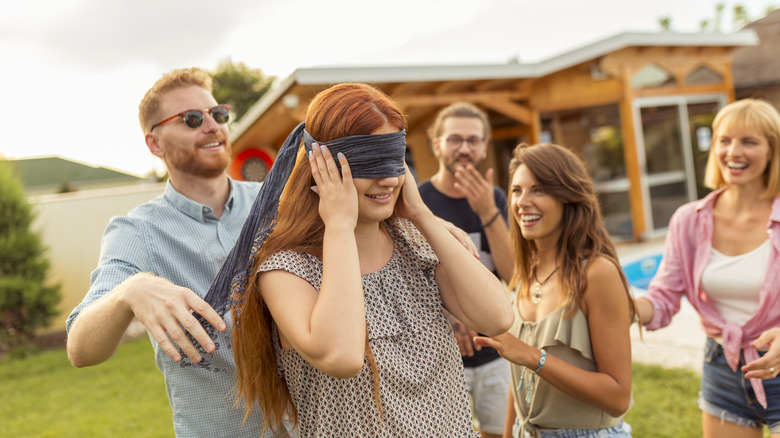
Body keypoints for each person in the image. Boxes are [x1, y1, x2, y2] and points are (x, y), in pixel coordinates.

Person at [217, 83, 515, 437]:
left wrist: (421, 214)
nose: (388, 177)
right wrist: (339, 227)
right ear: (321, 166)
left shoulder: (416, 244)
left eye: (393, 159)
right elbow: (342, 357)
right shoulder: (285, 270)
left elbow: (497, 317)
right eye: (368, 162)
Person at [65, 67, 273, 437]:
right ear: (154, 144)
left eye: (218, 114)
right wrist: (130, 290)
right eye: (192, 119)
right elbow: (81, 349)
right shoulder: (138, 232)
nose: (212, 126)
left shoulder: (276, 202)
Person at [634, 98, 780, 437]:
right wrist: (621, 307)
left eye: (749, 141)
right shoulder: (689, 220)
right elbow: (663, 297)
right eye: (724, 140)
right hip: (722, 367)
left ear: (772, 150)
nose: (733, 151)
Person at [474, 143, 635, 437]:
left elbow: (618, 397)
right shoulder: (525, 272)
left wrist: (534, 358)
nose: (522, 201)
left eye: (539, 190)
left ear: (568, 198)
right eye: (517, 190)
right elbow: (518, 375)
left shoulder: (597, 273)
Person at [419, 102, 514, 438]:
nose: (464, 148)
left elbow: (511, 272)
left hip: (496, 353)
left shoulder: (498, 198)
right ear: (437, 145)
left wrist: (488, 211)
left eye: (473, 140)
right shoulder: (417, 203)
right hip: (441, 356)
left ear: (485, 146)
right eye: (455, 139)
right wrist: (451, 315)